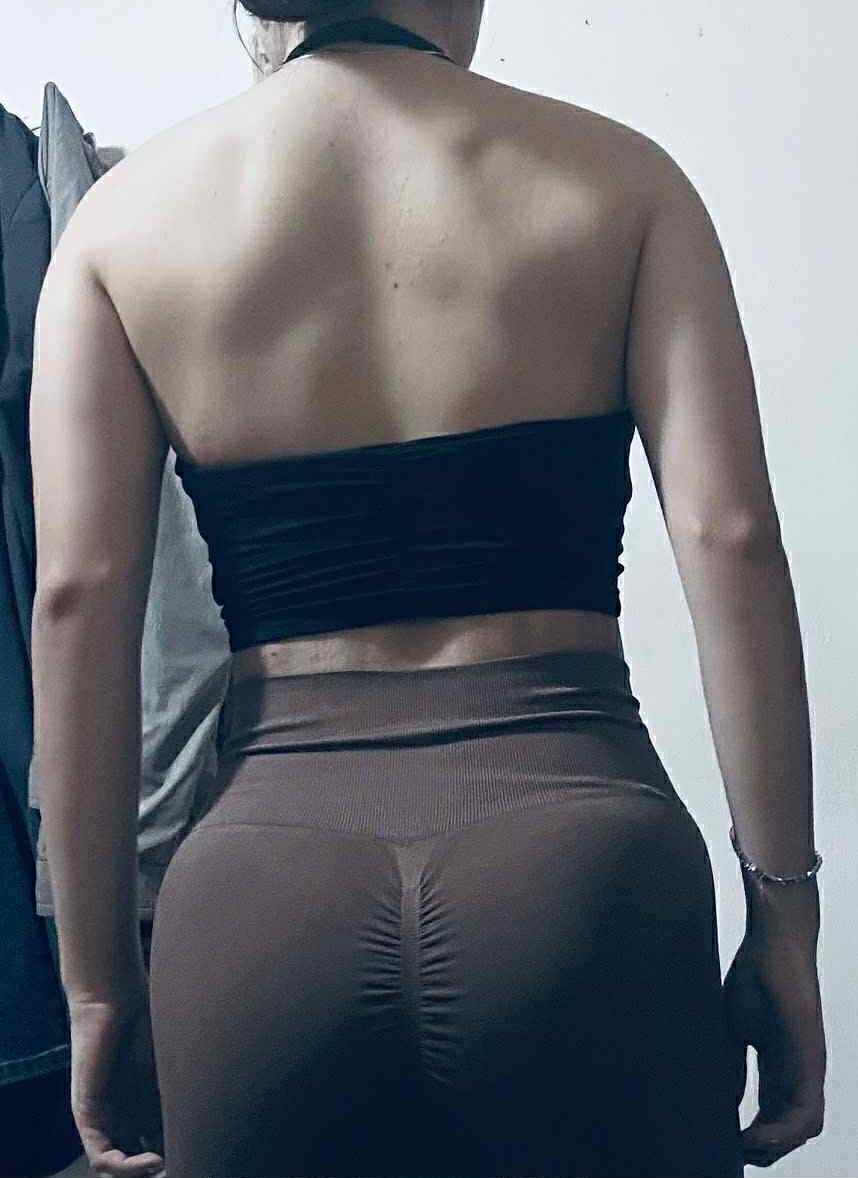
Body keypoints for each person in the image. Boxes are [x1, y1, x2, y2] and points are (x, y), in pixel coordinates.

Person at [28, 2, 825, 1176]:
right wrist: (788, 921)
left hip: (261, 901)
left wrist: (98, 989)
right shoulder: (624, 182)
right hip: (581, 872)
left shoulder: (120, 224)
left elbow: (78, 597)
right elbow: (733, 537)